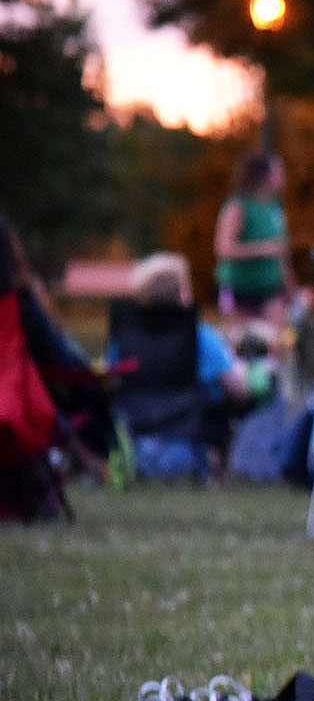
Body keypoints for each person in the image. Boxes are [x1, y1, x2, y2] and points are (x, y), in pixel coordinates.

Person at [112, 253, 260, 481]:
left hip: (135, 436)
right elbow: (238, 390)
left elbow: (110, 379)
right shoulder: (200, 336)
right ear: (183, 292)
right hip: (188, 440)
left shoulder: (125, 337)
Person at [0, 217, 109, 516]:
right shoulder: (18, 304)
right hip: (11, 414)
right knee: (48, 394)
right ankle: (91, 462)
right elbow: (59, 357)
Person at [213, 152, 293, 337]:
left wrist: (291, 289)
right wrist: (264, 249)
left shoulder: (275, 208)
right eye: (278, 170)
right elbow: (223, 248)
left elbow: (282, 254)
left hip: (270, 287)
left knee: (276, 341)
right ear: (264, 174)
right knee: (242, 344)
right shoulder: (237, 206)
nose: (283, 175)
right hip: (238, 287)